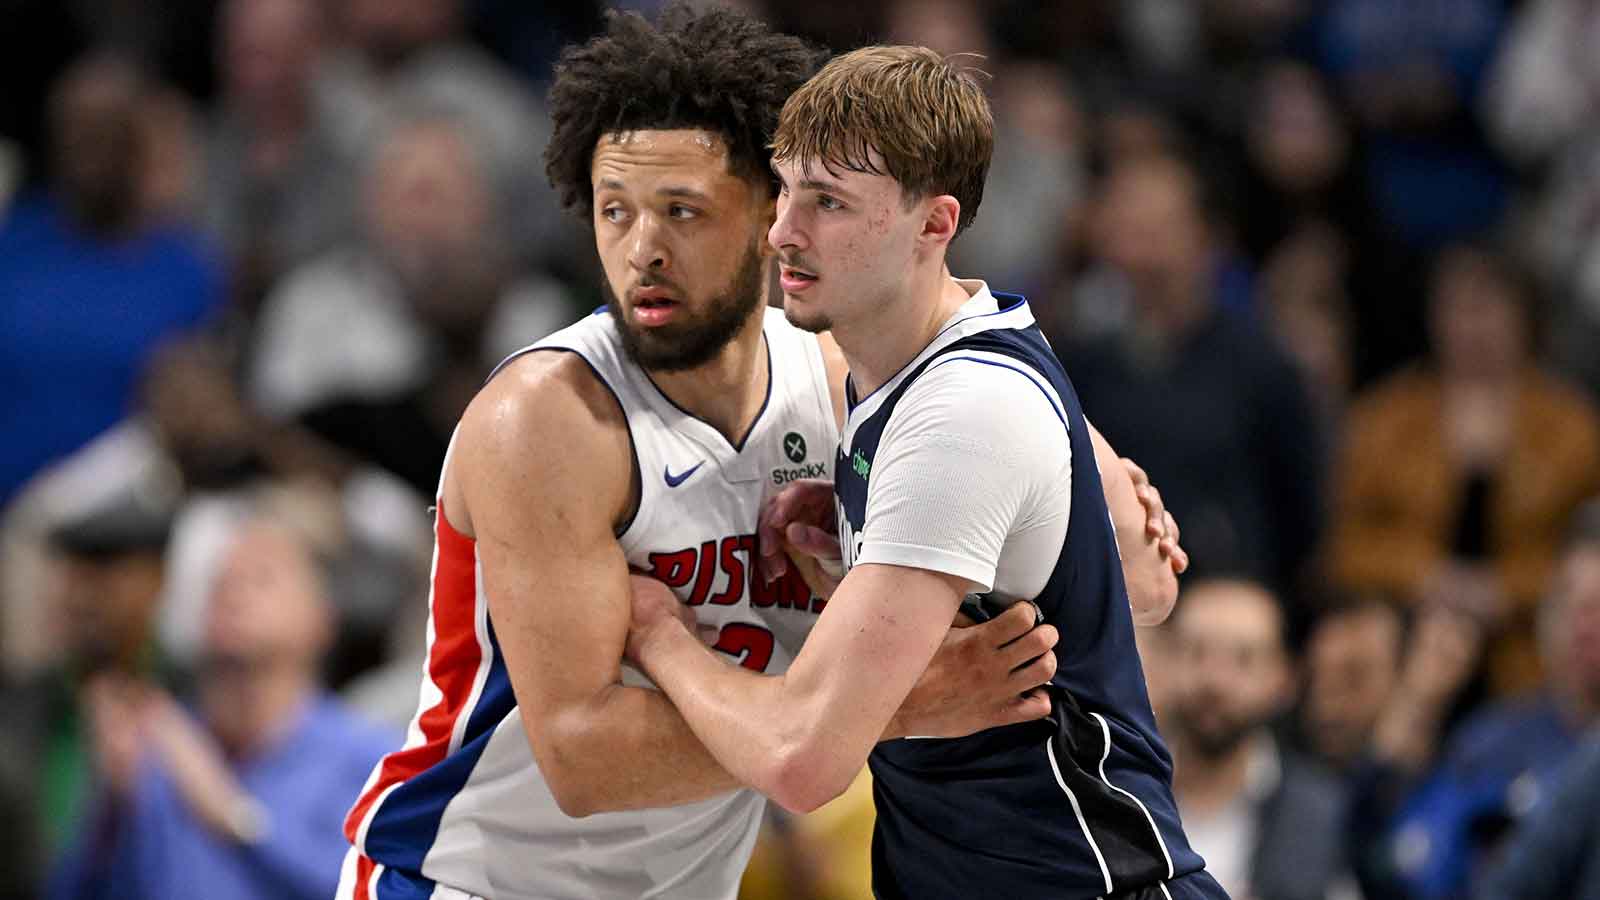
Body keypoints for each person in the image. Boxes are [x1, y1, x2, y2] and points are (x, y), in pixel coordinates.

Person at [337, 9, 1186, 900]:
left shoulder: (855, 380)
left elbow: (1143, 578)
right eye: (614, 212)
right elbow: (582, 760)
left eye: (682, 213)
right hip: (469, 881)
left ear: (766, 210)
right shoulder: (544, 419)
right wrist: (895, 709)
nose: (642, 252)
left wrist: (1091, 518)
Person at [623, 44, 1222, 899]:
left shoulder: (962, 412)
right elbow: (1147, 579)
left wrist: (658, 635)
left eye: (828, 202)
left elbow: (800, 761)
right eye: (786, 187)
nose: (784, 230)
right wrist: (881, 545)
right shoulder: (946, 348)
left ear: (933, 225)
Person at [48, 518, 393, 900]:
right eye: (221, 581)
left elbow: (373, 888)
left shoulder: (371, 761)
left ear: (322, 619)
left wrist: (234, 816)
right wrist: (113, 809)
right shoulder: (157, 743)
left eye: (262, 579)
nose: (233, 594)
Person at [1166, 579, 1352, 900]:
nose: (1215, 681)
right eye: (1196, 652)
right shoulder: (1112, 791)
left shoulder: (1317, 815)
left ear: (1284, 677)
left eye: (1244, 659)